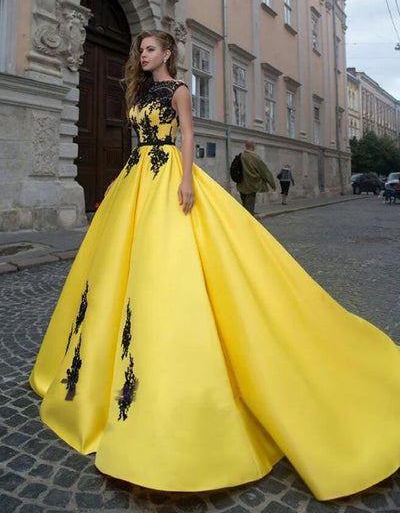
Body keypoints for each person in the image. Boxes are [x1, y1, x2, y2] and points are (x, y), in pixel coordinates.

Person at [30, 30, 400, 501]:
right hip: (135, 181)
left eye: (150, 50)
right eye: (139, 50)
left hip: (168, 178)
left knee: (172, 263)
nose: (142, 55)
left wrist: (186, 181)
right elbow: (138, 141)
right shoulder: (139, 92)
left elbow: (187, 134)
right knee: (113, 272)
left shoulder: (178, 89)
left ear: (167, 53)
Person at [236, 140, 276, 215]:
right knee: (249, 207)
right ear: (253, 146)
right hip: (252, 185)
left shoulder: (241, 156)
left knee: (244, 205)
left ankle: (244, 221)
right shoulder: (255, 157)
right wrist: (272, 184)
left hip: (241, 185)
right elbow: (264, 171)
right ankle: (249, 223)